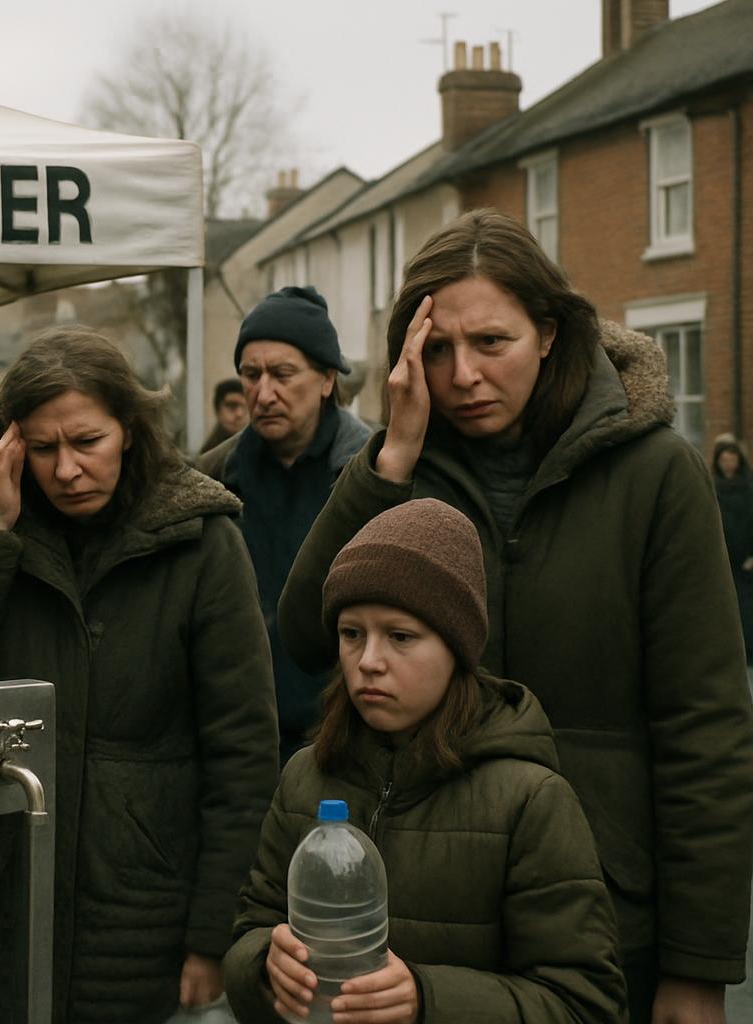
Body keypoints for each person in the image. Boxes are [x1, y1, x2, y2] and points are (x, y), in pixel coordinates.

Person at [277, 209, 753, 1023]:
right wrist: (387, 461)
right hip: (422, 908)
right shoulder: (402, 467)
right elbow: (306, 636)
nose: (462, 374)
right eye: (437, 349)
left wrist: (699, 964)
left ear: (550, 334)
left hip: (603, 915)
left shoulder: (656, 474)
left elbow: (704, 725)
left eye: (490, 343)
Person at [0, 325, 279, 1024]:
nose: (67, 469)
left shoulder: (204, 545)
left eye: (87, 442)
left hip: (143, 923)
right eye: (42, 449)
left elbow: (243, 757)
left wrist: (211, 938)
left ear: (130, 431)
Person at [227, 498, 627, 1023]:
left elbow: (586, 1005)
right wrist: (265, 967)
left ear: (456, 648)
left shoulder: (529, 800)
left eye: (400, 636)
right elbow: (249, 932)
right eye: (352, 634)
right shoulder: (306, 777)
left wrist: (427, 999)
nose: (369, 661)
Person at [197, 286, 373, 761]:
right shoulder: (210, 480)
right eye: (251, 375)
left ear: (326, 379)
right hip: (241, 737)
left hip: (352, 735)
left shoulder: (371, 474)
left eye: (283, 374)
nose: (264, 392)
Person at [712, 434, 753, 664]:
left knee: (747, 604)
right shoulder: (712, 486)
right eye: (724, 459)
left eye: (732, 459)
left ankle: (748, 648)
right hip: (722, 556)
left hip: (746, 558)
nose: (728, 464)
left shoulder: (749, 487)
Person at [200, 378, 249, 452]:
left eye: (245, 407)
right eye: (232, 406)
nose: (239, 414)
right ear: (218, 410)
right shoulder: (210, 454)